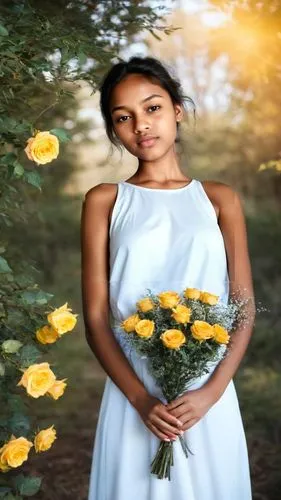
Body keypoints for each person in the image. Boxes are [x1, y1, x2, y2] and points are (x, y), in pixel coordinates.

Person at [81, 56, 256, 500]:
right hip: (133, 390)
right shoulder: (105, 200)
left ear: (177, 109)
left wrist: (211, 393)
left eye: (153, 108)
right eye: (124, 117)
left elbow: (243, 307)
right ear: (114, 129)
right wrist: (142, 401)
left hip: (206, 388)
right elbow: (98, 318)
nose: (141, 125)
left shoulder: (219, 199)